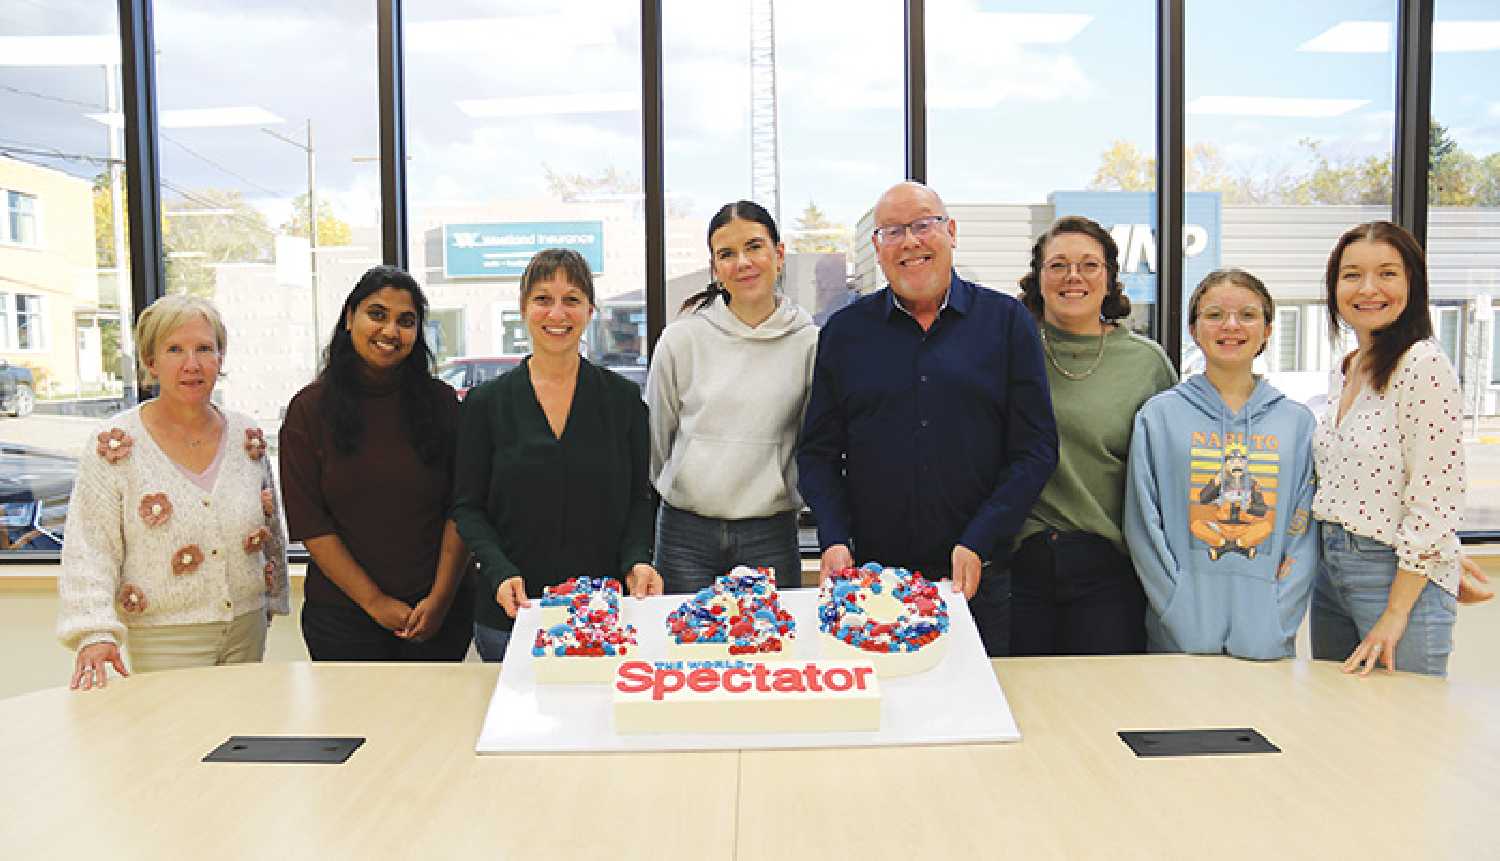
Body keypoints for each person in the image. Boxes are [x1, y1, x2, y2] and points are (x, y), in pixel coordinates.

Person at [798, 181, 1057, 656]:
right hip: (873, 584)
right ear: (877, 248)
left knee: (977, 719)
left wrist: (980, 540)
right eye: (893, 231)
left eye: (923, 225)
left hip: (977, 576)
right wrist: (833, 538)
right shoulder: (844, 333)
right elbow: (816, 453)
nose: (910, 242)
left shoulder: (1006, 323)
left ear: (951, 231)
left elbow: (1035, 450)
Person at [57, 295, 288, 689]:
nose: (192, 364)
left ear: (220, 358)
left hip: (247, 627)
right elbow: (90, 547)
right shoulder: (115, 445)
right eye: (175, 349)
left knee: (244, 741)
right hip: (165, 634)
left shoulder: (247, 438)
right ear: (151, 362)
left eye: (204, 349)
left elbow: (270, 529)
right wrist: (94, 632)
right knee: (176, 745)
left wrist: (273, 595)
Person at [453, 249, 662, 661]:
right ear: (523, 308)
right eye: (543, 299)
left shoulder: (622, 401)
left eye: (571, 299)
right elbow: (467, 507)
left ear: (590, 310)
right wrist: (498, 571)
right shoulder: (486, 403)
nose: (557, 313)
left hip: (602, 617)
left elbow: (641, 498)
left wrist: (637, 560)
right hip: (512, 614)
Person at [279, 265, 474, 661]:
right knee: (356, 724)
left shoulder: (443, 405)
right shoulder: (309, 410)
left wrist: (438, 600)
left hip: (436, 616)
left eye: (406, 321)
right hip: (342, 618)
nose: (390, 331)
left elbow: (464, 507)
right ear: (350, 317)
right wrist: (375, 602)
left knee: (432, 724)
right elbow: (310, 523)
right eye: (377, 314)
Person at [1123, 269, 1319, 659]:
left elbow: (1305, 530)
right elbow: (1143, 524)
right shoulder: (1159, 417)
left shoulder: (1296, 423)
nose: (1231, 326)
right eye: (1214, 315)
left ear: (1267, 330)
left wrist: (1278, 617)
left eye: (1247, 315)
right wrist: (1176, 608)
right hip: (1178, 636)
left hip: (1267, 637)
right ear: (1194, 329)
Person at [1008, 216, 1178, 656]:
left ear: (1110, 278)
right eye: (1058, 265)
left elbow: (1172, 472)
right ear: (1038, 278)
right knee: (1024, 708)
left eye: (1089, 265)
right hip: (1015, 564)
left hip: (1110, 569)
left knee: (1103, 710)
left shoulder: (1145, 362)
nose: (1073, 277)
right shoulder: (1008, 349)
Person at [1311, 221, 1466, 676]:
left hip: (1393, 578)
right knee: (1337, 722)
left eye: (1387, 274)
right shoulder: (1348, 366)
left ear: (1413, 284)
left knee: (1403, 733)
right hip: (1331, 571)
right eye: (1352, 274)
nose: (1369, 289)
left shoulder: (1423, 364)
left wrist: (1397, 610)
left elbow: (1437, 495)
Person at [646, 200, 817, 593]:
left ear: (779, 254)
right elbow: (656, 442)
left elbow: (812, 442)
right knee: (684, 653)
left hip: (770, 535)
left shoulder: (809, 343)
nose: (742, 262)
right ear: (714, 268)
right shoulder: (681, 340)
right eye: (726, 254)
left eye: (754, 246)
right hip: (684, 535)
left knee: (771, 653)